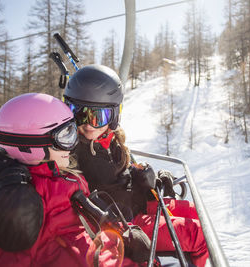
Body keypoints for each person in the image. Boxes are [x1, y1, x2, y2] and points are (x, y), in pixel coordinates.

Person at [0, 93, 146, 267]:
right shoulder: (22, 202)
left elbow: (87, 224)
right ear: (32, 145)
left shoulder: (68, 177)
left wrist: (123, 232)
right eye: (65, 136)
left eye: (72, 131)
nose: (74, 143)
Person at [64, 65, 208, 266]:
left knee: (195, 212)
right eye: (79, 114)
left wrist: (147, 179)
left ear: (114, 116)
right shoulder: (71, 150)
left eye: (97, 117)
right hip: (129, 221)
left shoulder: (111, 140)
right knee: (200, 234)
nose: (87, 124)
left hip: (140, 203)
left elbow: (123, 173)